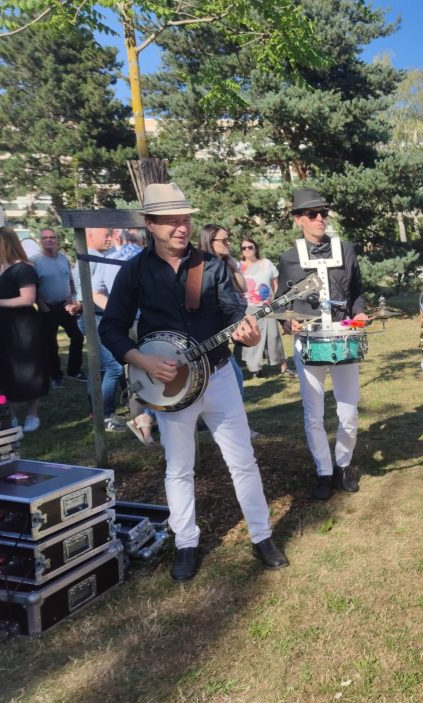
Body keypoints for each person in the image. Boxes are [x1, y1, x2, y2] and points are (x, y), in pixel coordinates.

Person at [100, 183, 287, 581]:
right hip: (168, 387)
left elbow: (234, 314)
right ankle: (186, 543)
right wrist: (141, 360)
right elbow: (111, 327)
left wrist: (247, 333)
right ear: (150, 225)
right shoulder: (135, 271)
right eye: (171, 221)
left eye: (185, 219)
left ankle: (262, 536)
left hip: (218, 376)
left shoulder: (212, 265)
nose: (181, 227)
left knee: (243, 461)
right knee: (178, 467)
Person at [277, 188, 367, 500]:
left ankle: (343, 465)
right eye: (312, 214)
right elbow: (281, 302)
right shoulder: (288, 258)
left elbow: (357, 291)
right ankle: (323, 471)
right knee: (313, 414)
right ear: (298, 219)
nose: (320, 219)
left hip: (343, 338)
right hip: (308, 342)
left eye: (323, 213)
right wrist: (288, 322)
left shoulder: (346, 250)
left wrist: (360, 311)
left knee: (349, 411)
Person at [0, 227, 49, 432]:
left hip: (23, 328)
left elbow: (27, 299)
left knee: (28, 371)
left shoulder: (24, 268)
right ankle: (11, 415)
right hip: (3, 327)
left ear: (3, 244)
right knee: (6, 370)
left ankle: (33, 414)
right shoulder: (0, 266)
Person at [74, 227, 126, 431]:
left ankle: (96, 410)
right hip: (94, 317)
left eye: (110, 234)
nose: (109, 238)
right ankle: (104, 415)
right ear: (90, 236)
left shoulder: (101, 256)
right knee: (114, 367)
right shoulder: (92, 259)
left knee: (100, 367)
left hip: (98, 316)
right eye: (106, 235)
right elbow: (86, 294)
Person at [198, 224, 248, 396]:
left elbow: (243, 287)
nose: (228, 243)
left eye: (228, 239)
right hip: (209, 335)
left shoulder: (225, 264)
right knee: (235, 379)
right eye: (224, 240)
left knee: (236, 378)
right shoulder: (202, 267)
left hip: (226, 332)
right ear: (209, 241)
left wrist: (233, 265)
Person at [33, 228, 84, 388]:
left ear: (57, 240)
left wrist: (71, 300)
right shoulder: (34, 261)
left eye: (52, 237)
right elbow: (32, 288)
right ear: (40, 241)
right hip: (47, 308)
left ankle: (74, 370)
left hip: (64, 306)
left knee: (77, 337)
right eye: (45, 237)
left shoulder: (63, 259)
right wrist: (42, 306)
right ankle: (56, 376)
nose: (49, 240)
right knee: (51, 344)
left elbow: (70, 281)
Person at [238, 236, 289, 378]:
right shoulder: (238, 267)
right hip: (248, 308)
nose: (247, 250)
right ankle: (255, 369)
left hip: (268, 306)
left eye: (250, 247)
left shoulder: (266, 263)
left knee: (274, 336)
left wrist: (277, 301)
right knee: (253, 336)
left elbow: (275, 284)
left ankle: (283, 366)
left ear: (256, 248)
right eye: (243, 248)